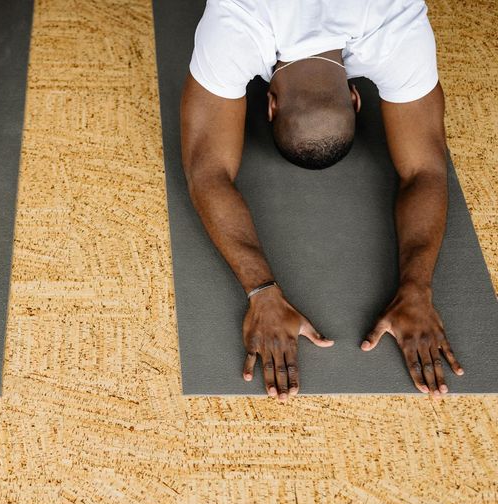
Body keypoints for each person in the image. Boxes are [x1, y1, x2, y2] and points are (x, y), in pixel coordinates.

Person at [181, 0, 464, 399]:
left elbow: (207, 171)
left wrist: (262, 291)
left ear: (270, 105)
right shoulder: (238, 22)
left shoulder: (395, 22)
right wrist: (416, 287)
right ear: (356, 98)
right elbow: (426, 170)